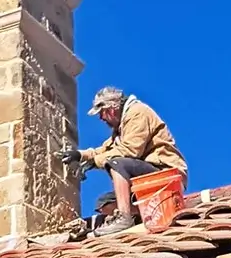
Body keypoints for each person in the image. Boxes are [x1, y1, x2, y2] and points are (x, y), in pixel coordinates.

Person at [60, 86, 187, 236]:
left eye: (101, 113)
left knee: (117, 163)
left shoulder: (138, 113)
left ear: (111, 109)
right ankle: (143, 213)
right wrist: (80, 155)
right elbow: (106, 149)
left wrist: (95, 162)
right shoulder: (122, 125)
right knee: (104, 204)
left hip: (165, 173)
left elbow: (130, 150)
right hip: (148, 177)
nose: (101, 118)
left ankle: (124, 217)